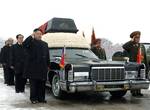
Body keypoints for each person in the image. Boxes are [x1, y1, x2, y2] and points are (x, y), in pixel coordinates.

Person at [23, 29, 50, 104]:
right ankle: (33, 98)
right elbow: (24, 44)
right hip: (33, 68)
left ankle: (41, 98)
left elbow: (47, 55)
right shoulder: (30, 43)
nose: (39, 35)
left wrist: (48, 65)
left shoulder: (45, 44)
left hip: (42, 67)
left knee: (42, 84)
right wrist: (31, 36)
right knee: (33, 85)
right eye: (37, 33)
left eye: (40, 34)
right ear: (34, 34)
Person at [122, 31, 143, 96]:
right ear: (133, 38)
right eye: (136, 38)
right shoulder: (130, 45)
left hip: (139, 63)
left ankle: (138, 91)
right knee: (134, 78)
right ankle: (133, 92)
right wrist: (131, 41)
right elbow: (124, 46)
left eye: (139, 38)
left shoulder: (139, 45)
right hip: (133, 64)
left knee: (139, 77)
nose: (138, 39)